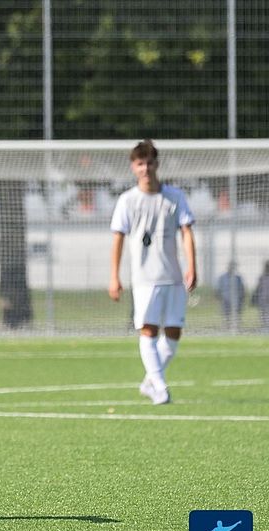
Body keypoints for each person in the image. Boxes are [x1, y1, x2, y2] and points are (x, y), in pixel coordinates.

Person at [108, 139, 197, 405]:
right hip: (144, 278)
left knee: (173, 332)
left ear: (156, 165)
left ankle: (150, 380)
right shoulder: (127, 200)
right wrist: (114, 276)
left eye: (149, 163)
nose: (145, 168)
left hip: (173, 276)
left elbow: (187, 231)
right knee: (148, 331)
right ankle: (160, 386)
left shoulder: (175, 197)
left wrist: (192, 265)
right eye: (140, 164)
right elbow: (118, 238)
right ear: (133, 167)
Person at [215, 262, 245, 329]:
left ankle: (236, 329)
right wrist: (219, 298)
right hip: (225, 300)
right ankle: (226, 328)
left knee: (236, 317)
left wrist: (242, 299)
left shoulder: (238, 278)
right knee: (226, 317)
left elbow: (242, 289)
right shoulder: (222, 278)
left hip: (236, 301)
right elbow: (218, 289)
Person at [253, 260, 269, 332]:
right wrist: (254, 298)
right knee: (263, 315)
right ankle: (265, 328)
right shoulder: (262, 277)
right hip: (263, 300)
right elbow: (258, 288)